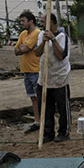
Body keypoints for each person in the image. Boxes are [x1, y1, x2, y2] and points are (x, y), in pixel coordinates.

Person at [33, 13, 71, 143]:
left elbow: (61, 56)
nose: (41, 24)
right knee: (45, 108)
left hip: (59, 78)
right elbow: (37, 53)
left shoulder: (62, 36)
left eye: (43, 22)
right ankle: (48, 134)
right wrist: (44, 41)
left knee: (62, 108)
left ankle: (64, 132)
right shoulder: (40, 35)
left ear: (51, 23)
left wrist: (53, 39)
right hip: (44, 78)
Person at [14, 11, 41, 133]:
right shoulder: (23, 34)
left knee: (39, 96)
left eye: (23, 21)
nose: (21, 23)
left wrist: (22, 48)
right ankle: (37, 121)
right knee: (33, 97)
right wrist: (22, 48)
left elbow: (24, 49)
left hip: (35, 70)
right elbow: (16, 50)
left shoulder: (37, 33)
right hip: (26, 71)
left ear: (31, 21)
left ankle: (43, 119)